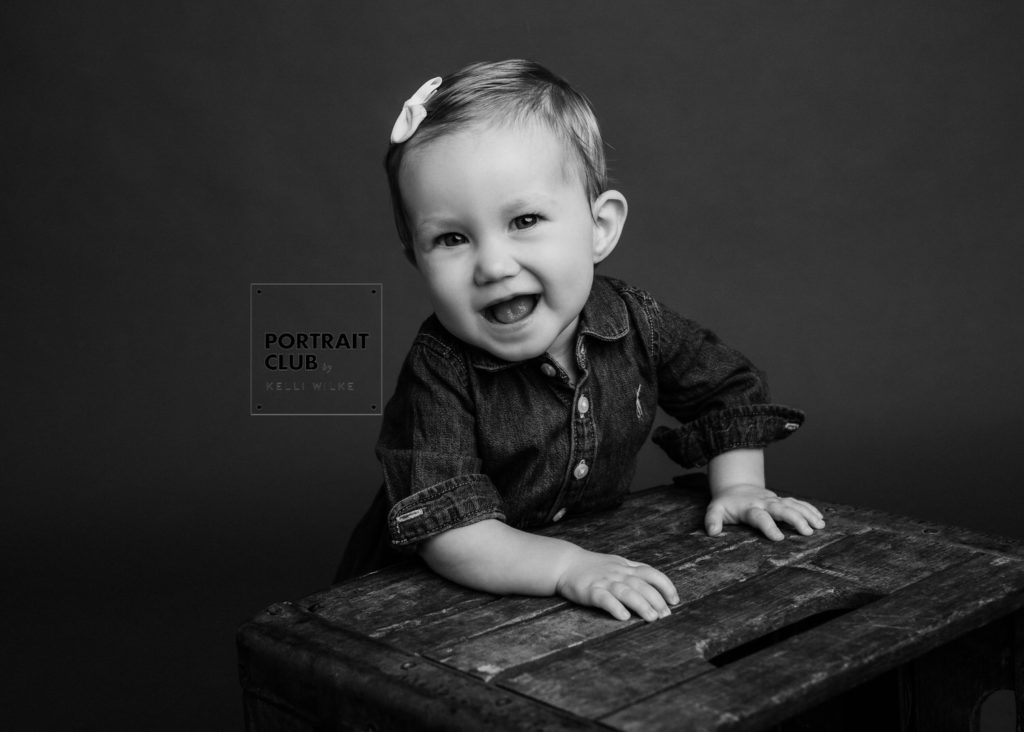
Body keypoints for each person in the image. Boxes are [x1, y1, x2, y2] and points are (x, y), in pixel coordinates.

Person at [337, 59, 824, 623]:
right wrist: (569, 568)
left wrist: (739, 486)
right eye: (451, 238)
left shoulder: (633, 320)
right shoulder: (440, 369)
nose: (493, 264)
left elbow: (728, 389)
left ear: (600, 227)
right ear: (416, 260)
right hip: (420, 600)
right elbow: (455, 534)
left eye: (523, 221)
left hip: (569, 583)